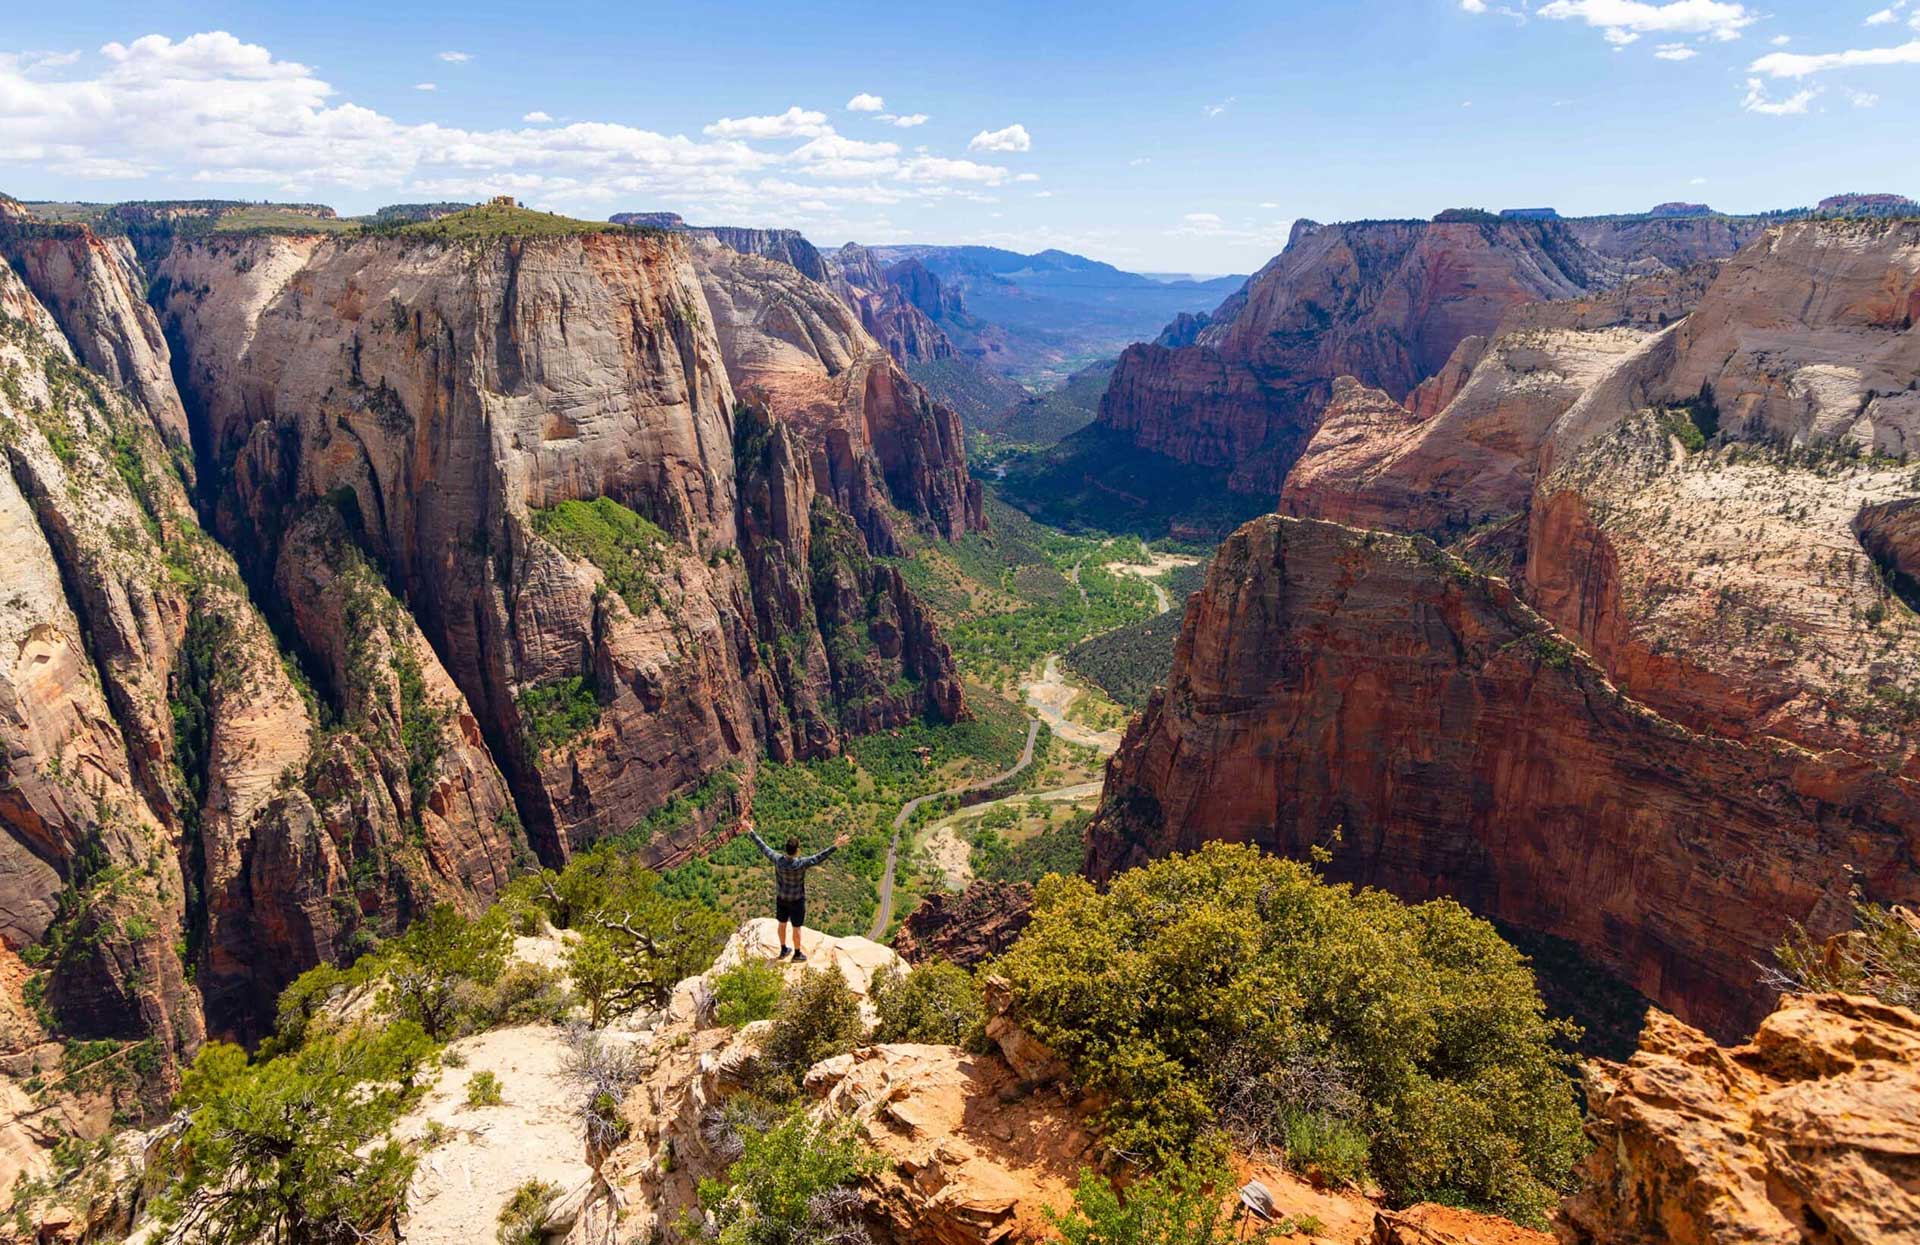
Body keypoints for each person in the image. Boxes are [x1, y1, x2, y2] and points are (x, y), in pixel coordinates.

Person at [743, 815, 850, 961]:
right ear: (797, 850)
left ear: (786, 849)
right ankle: (797, 953)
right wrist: (836, 845)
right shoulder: (801, 863)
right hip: (797, 901)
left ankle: (783, 949)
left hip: (781, 899)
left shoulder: (777, 859)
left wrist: (750, 831)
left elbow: (762, 846)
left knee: (781, 924)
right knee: (796, 928)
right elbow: (819, 857)